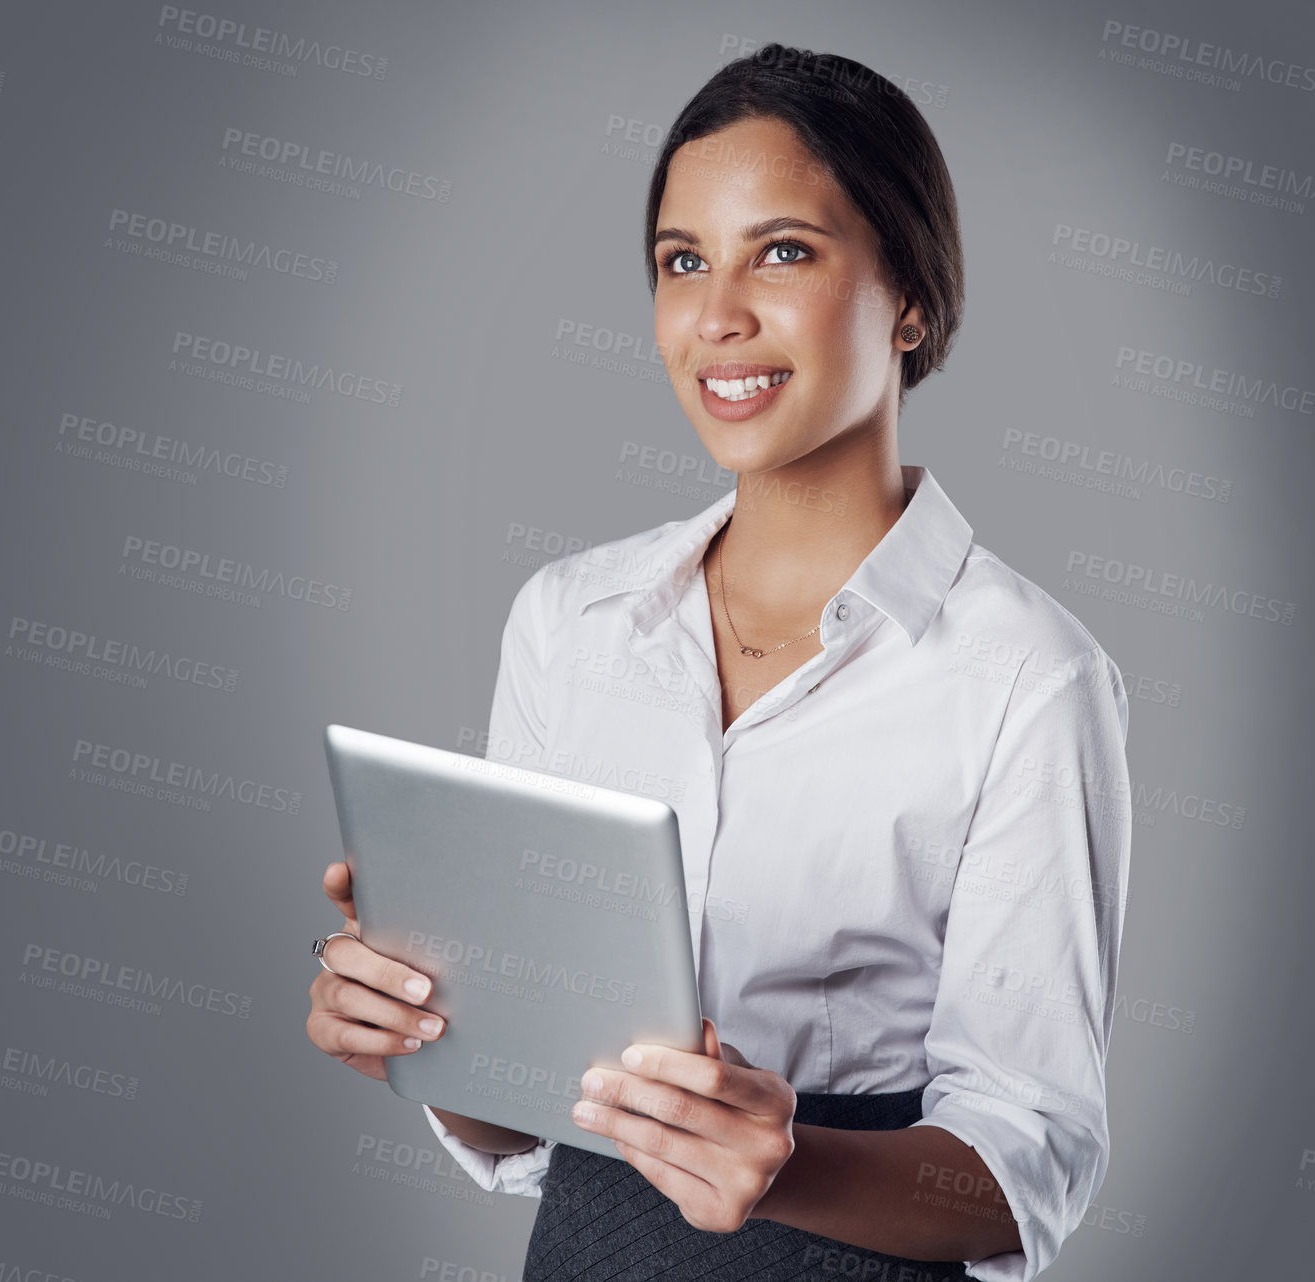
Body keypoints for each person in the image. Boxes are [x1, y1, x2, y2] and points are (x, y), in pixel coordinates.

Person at [306, 43, 1131, 1282]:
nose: (716, 314)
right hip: (583, 1250)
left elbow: (1022, 1170)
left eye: (782, 251)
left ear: (909, 295)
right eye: (681, 261)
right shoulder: (567, 622)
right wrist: (419, 1037)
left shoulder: (1029, 677)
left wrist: (781, 1166)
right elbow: (524, 1118)